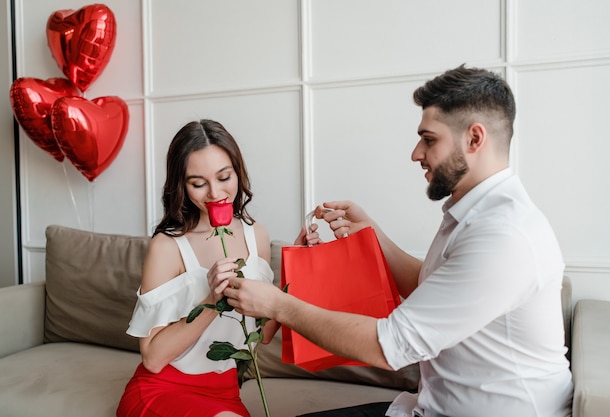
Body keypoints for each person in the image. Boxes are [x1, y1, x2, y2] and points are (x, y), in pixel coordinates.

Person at [223, 66, 574, 417]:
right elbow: (436, 286)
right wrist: (373, 238)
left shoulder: (502, 236)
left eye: (429, 139)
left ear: (474, 139)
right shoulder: (475, 213)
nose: (416, 153)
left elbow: (390, 346)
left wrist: (279, 305)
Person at [117, 119, 281, 417]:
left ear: (237, 172)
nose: (215, 193)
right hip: (163, 388)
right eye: (198, 183)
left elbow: (263, 335)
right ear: (181, 185)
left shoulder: (256, 235)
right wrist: (211, 301)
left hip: (227, 395)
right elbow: (153, 359)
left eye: (224, 177)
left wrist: (299, 267)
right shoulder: (167, 246)